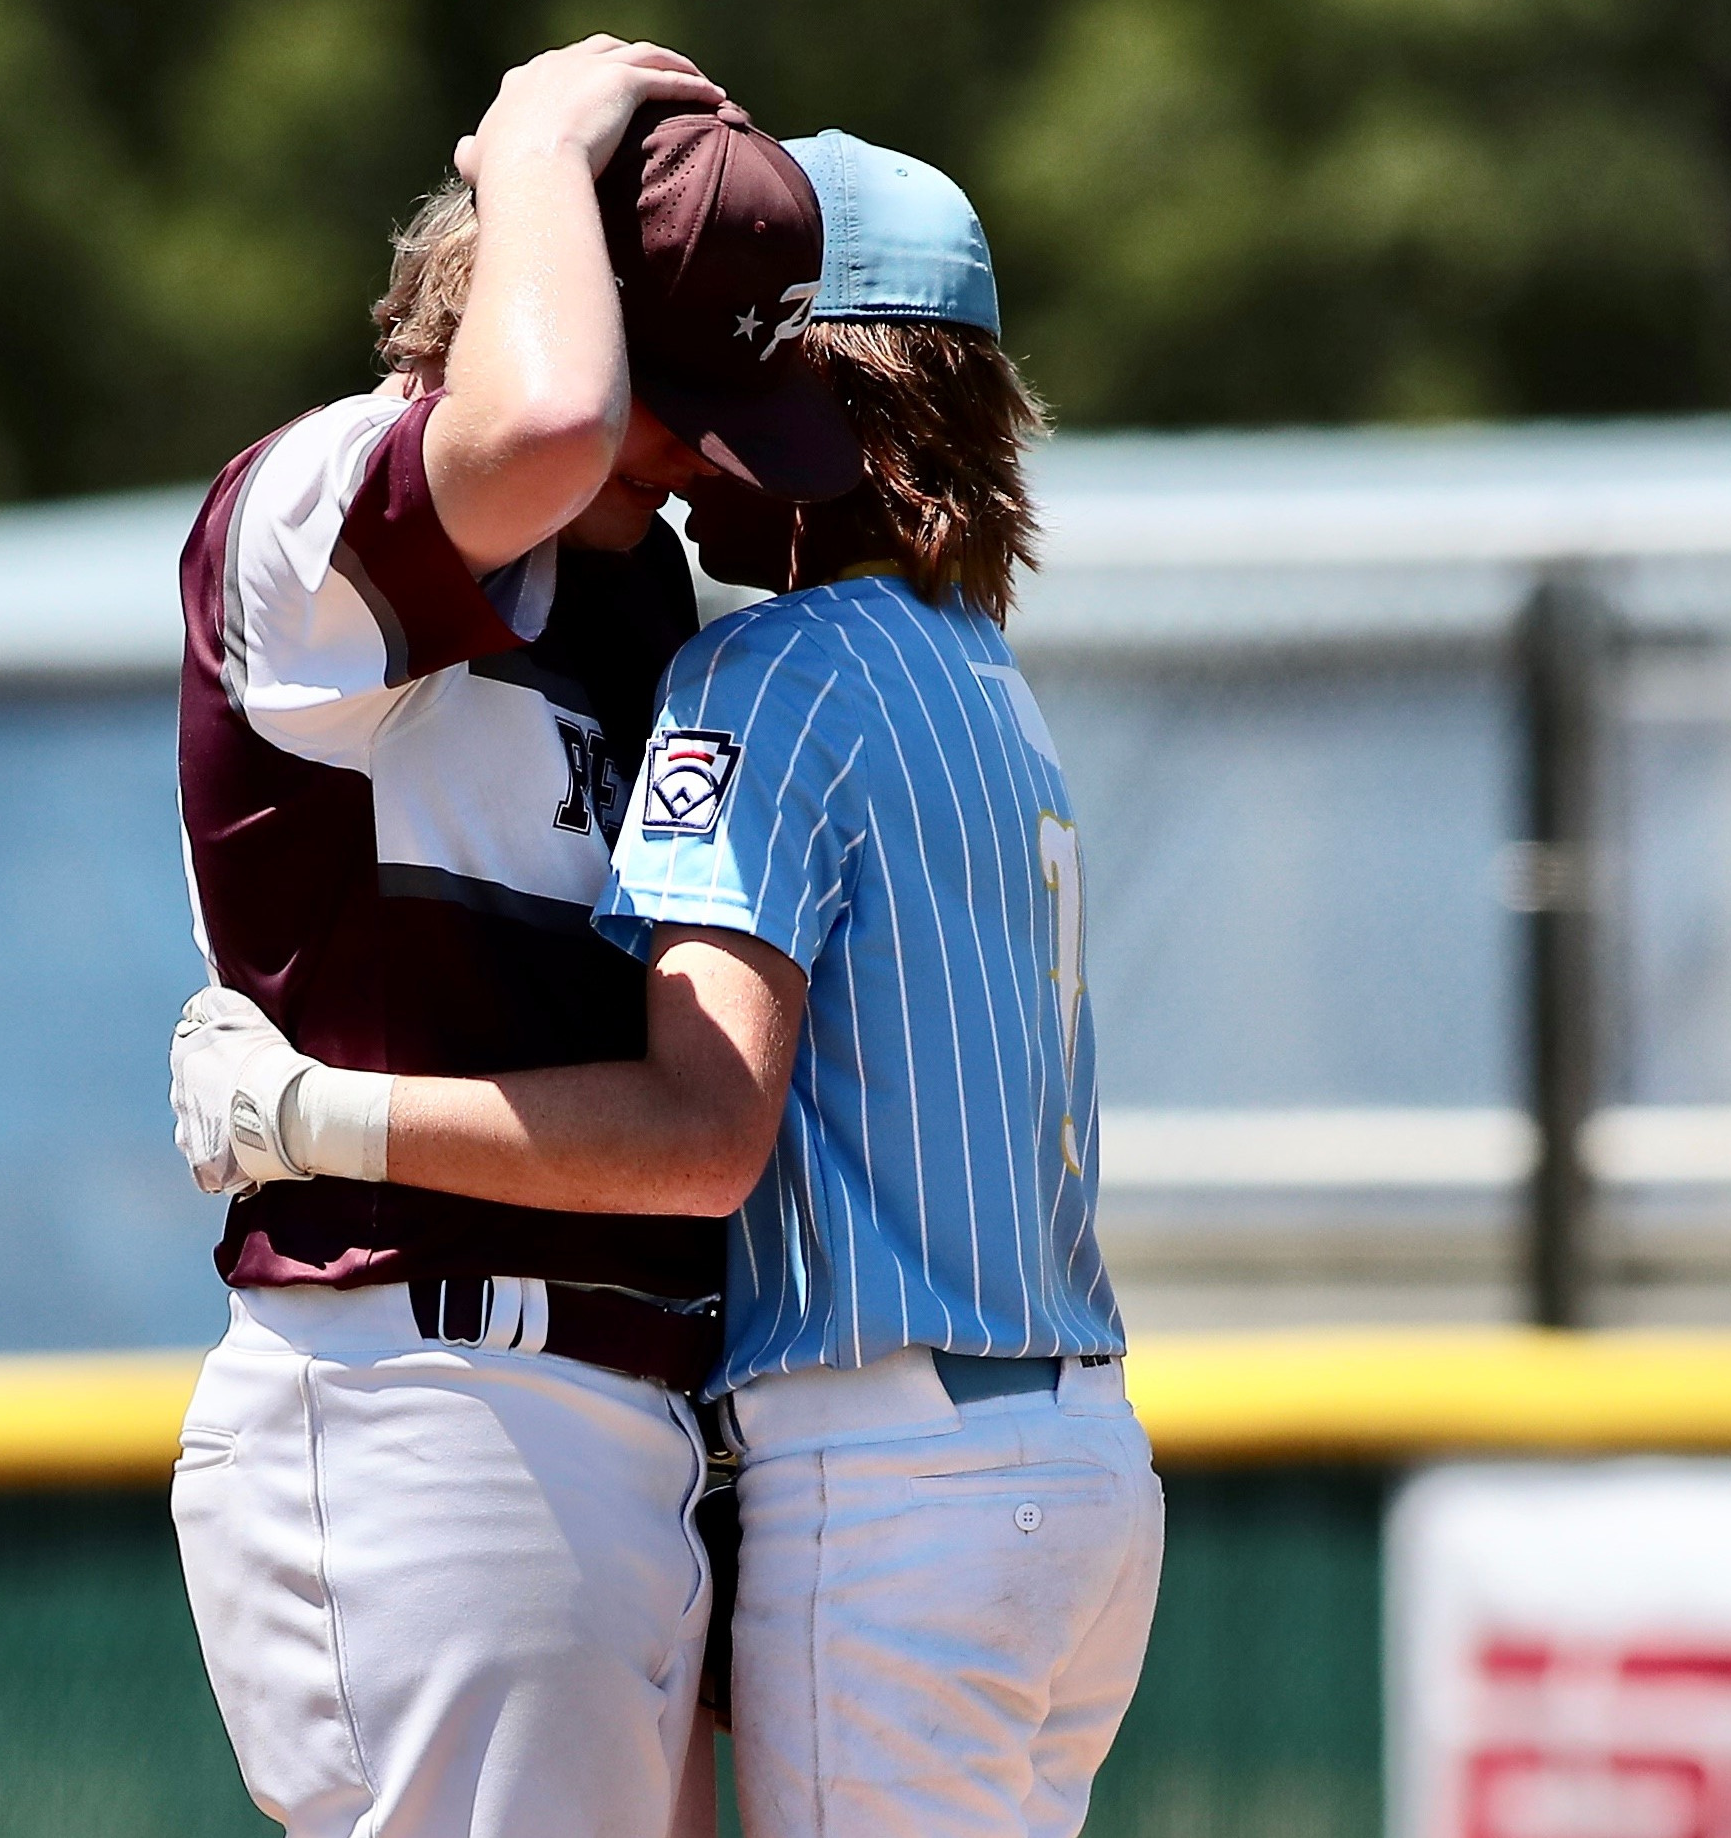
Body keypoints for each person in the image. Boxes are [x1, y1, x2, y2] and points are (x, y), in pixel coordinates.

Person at [175, 134, 1163, 1838]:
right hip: (971, 1452)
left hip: (826, 1454)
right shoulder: (985, 688)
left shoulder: (740, 656)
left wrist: (310, 1113)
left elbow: (701, 1129)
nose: (710, 478)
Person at [162, 34, 855, 1838]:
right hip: (423, 1393)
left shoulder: (639, 595)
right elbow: (540, 423)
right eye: (677, 386)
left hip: (604, 1425)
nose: (709, 463)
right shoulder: (312, 498)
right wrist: (537, 137)